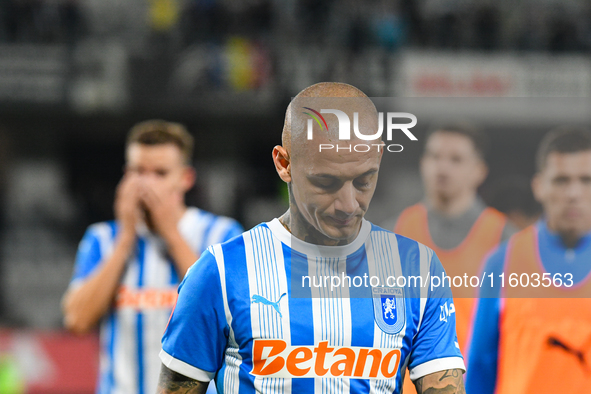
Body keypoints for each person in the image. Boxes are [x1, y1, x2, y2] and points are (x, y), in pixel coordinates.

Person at [157, 82, 466, 394]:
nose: (348, 203)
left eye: (363, 180)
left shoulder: (418, 268)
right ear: (284, 164)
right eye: (326, 182)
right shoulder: (221, 271)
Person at [62, 120, 243, 394]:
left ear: (186, 179)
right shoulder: (102, 238)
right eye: (138, 172)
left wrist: (170, 234)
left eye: (160, 173)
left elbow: (236, 320)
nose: (146, 184)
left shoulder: (221, 234)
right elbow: (77, 320)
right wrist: (125, 240)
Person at [466, 127, 591, 393]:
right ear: (539, 186)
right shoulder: (502, 263)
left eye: (585, 180)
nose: (573, 193)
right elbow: (479, 368)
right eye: (561, 180)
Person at [393, 122, 515, 394]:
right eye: (434, 156)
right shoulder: (393, 233)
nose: (442, 167)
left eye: (456, 159)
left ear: (479, 171)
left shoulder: (506, 240)